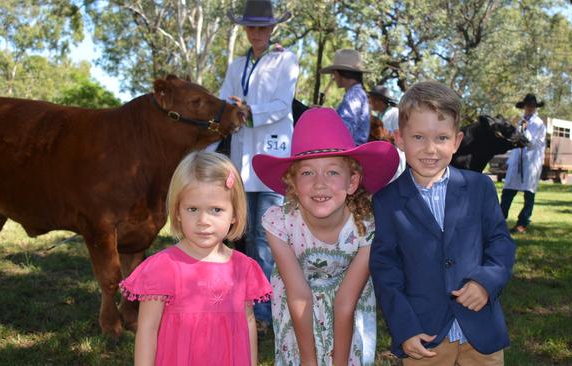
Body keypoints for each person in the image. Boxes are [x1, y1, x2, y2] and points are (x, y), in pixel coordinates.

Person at [370, 81, 516, 365]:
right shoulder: (387, 200)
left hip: (481, 332)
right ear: (399, 139)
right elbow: (386, 270)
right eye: (418, 137)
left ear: (457, 141)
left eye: (441, 138)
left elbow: (501, 243)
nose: (430, 149)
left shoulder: (480, 188)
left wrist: (486, 282)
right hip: (424, 337)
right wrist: (404, 328)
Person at [252, 108, 399, 365]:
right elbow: (298, 294)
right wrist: (309, 361)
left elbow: (345, 302)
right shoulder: (280, 223)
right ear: (293, 184)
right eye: (307, 173)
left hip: (349, 310)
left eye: (332, 172)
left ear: (352, 182)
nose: (320, 183)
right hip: (296, 310)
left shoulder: (367, 227)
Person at [120, 151, 272, 366]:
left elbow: (247, 323)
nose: (203, 220)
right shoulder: (162, 268)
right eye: (193, 209)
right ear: (178, 211)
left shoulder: (244, 268)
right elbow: (147, 329)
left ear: (235, 213)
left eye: (216, 210)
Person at [213, 0, 299, 328]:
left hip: (272, 160)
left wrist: (247, 110)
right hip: (241, 163)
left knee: (267, 242)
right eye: (252, 27)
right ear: (245, 29)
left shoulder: (285, 60)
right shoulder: (237, 65)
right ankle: (245, 305)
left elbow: (281, 105)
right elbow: (224, 101)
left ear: (272, 28)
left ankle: (265, 314)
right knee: (242, 237)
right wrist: (229, 109)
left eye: (262, 27)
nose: (257, 33)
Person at [500, 93, 547, 234]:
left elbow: (530, 142)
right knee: (507, 191)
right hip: (516, 161)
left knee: (528, 193)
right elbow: (514, 142)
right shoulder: (520, 121)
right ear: (524, 107)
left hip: (531, 162)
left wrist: (524, 130)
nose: (529, 108)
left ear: (535, 107)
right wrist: (508, 160)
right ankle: (500, 221)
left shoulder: (538, 123)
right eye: (527, 106)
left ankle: (523, 223)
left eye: (532, 106)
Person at [319, 49, 370, 146]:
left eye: (334, 74)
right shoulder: (357, 93)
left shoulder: (354, 95)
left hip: (349, 150)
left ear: (338, 74)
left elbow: (344, 129)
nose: (333, 78)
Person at [368, 84, 407, 179]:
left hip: (395, 157)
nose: (369, 102)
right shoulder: (379, 115)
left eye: (371, 99)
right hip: (382, 158)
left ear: (378, 100)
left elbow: (401, 137)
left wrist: (384, 136)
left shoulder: (395, 113)